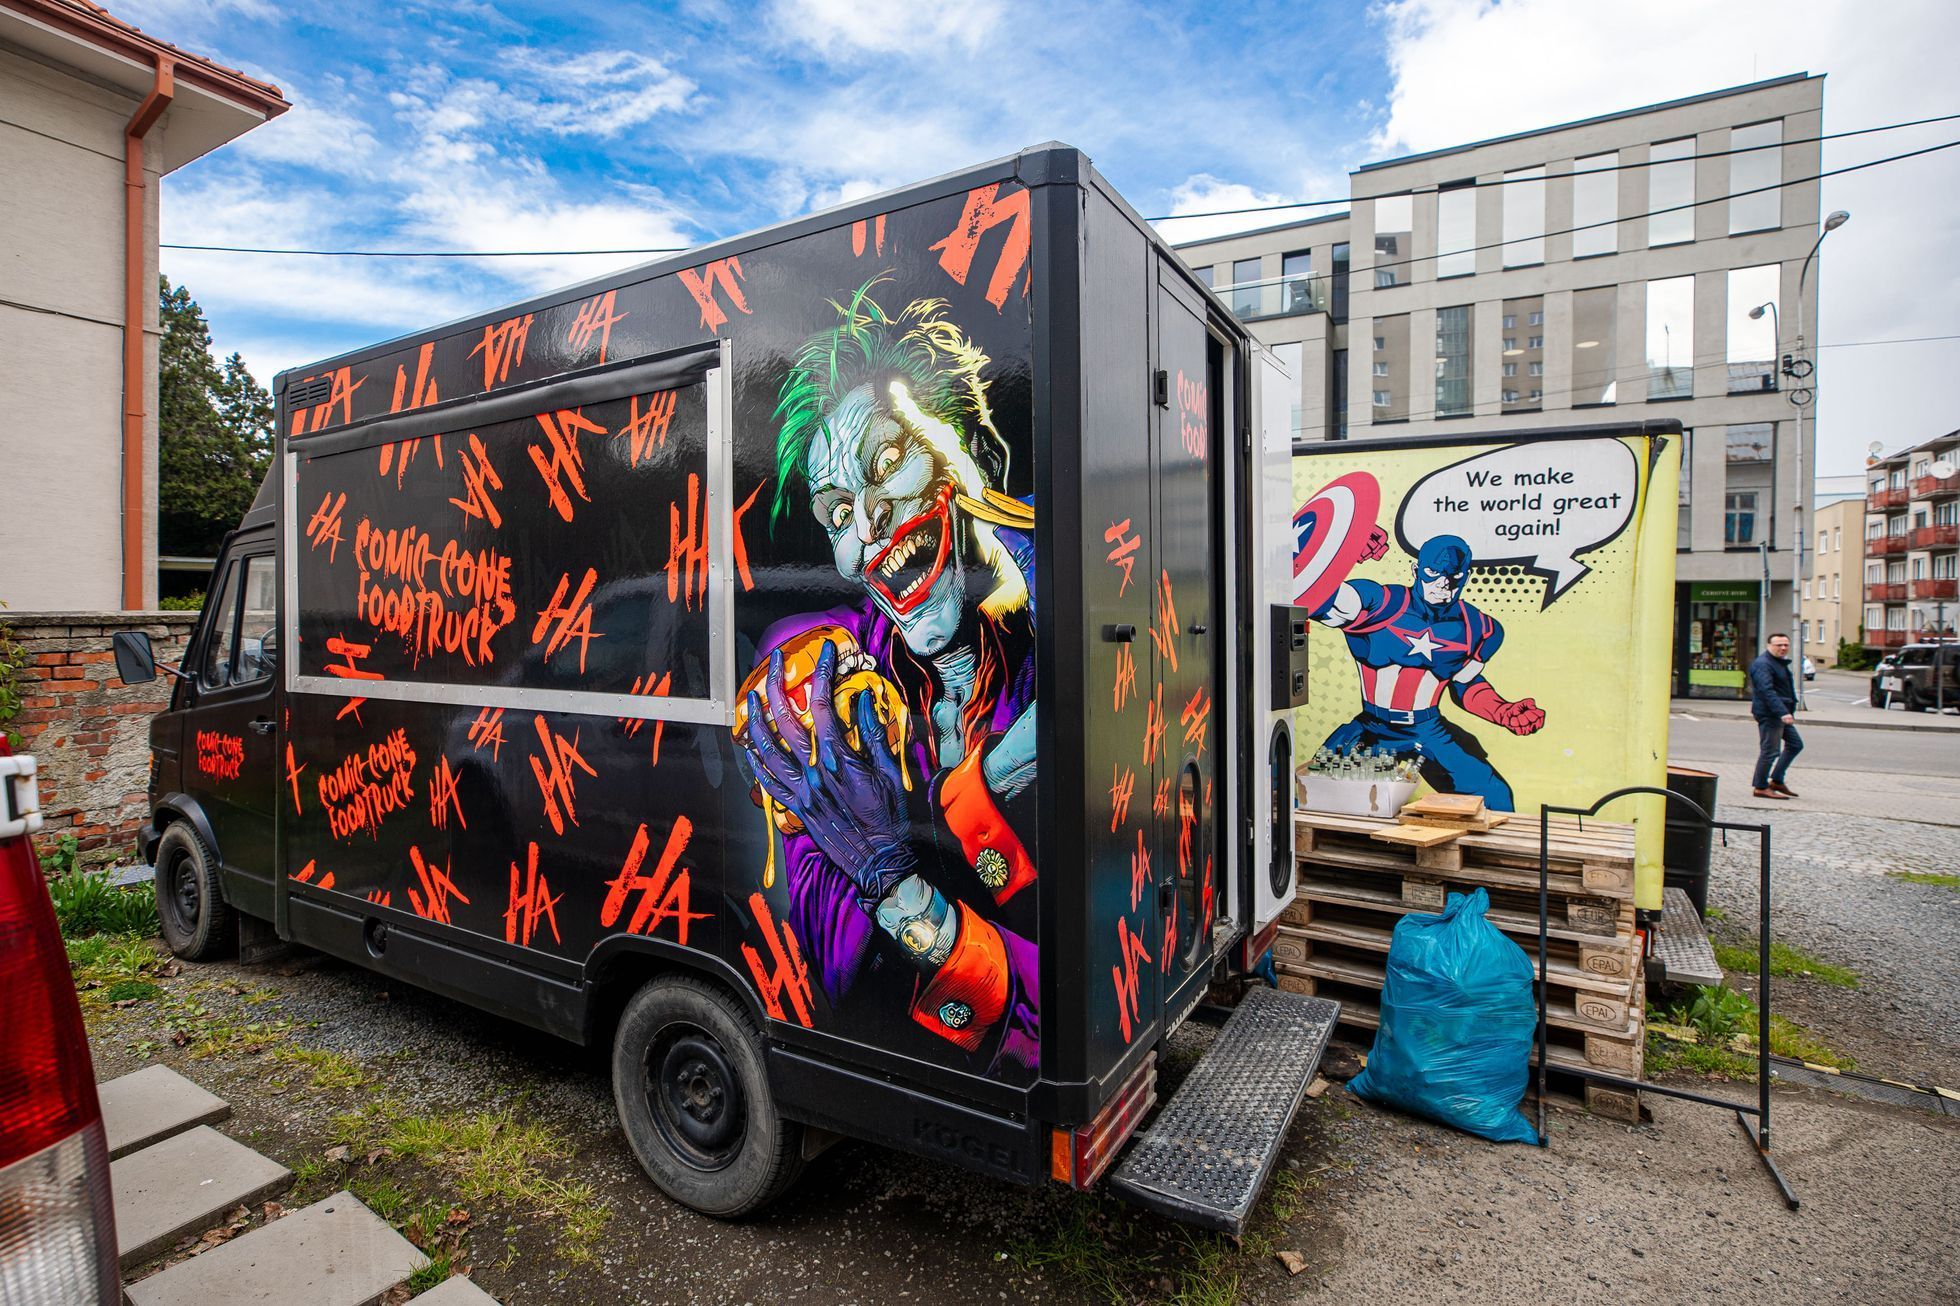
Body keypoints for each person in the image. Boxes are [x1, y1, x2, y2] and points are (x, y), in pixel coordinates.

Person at [1749, 632, 1802, 799]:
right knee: (1770, 751)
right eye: (1779, 645)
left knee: (1795, 744)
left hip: (1780, 714)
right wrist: (1782, 712)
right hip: (1771, 714)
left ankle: (1777, 780)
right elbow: (1766, 691)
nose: (1783, 648)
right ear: (1769, 646)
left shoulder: (1777, 663)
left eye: (1786, 645)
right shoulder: (1763, 664)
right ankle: (1760, 786)